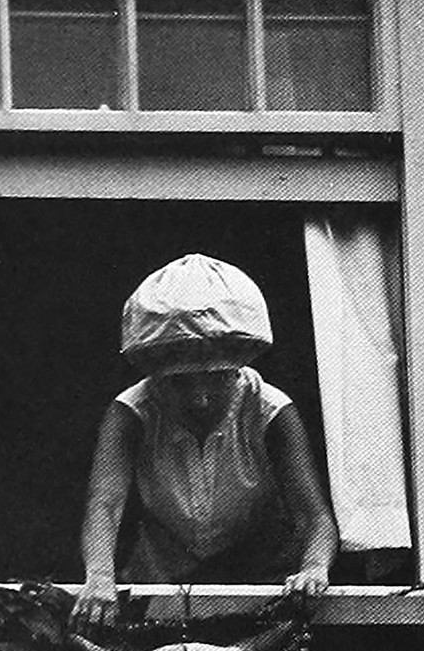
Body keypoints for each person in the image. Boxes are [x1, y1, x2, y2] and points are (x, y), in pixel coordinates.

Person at [71, 253, 338, 631]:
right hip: (159, 582)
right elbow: (105, 504)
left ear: (238, 367)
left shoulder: (271, 411)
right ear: (156, 375)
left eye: (216, 378)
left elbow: (314, 516)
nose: (200, 399)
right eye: (180, 381)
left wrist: (313, 568)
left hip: (259, 581)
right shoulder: (131, 413)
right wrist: (99, 577)